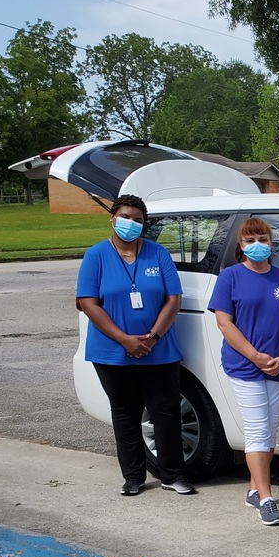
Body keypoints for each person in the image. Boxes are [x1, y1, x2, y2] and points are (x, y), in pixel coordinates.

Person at [75, 194, 195, 497]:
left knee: (165, 413)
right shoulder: (96, 256)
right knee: (125, 413)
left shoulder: (158, 254)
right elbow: (88, 303)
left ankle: (172, 475)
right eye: (126, 217)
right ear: (113, 218)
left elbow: (173, 299)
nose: (131, 223)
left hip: (159, 350)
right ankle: (133, 477)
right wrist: (124, 339)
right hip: (112, 352)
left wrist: (152, 337)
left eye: (138, 219)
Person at [209, 219, 279, 526]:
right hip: (245, 366)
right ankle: (266, 498)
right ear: (241, 245)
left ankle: (253, 488)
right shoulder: (230, 277)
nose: (257, 243)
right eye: (250, 239)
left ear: (272, 243)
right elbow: (225, 323)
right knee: (257, 431)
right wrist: (255, 356)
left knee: (270, 431)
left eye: (262, 238)